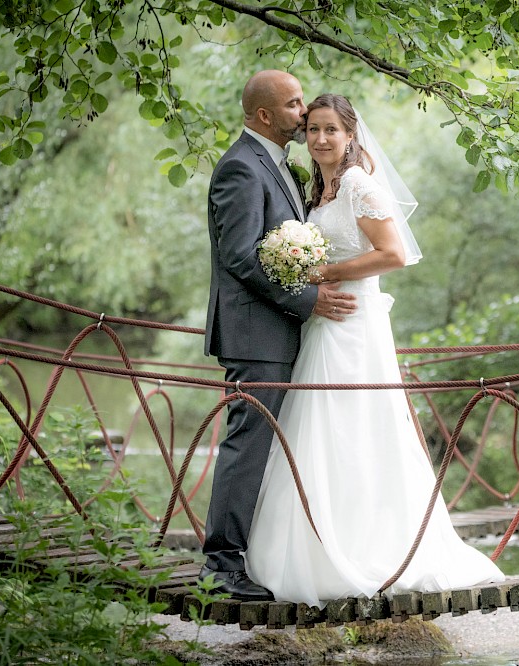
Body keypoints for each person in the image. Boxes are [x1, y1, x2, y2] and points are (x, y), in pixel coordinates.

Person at [244, 94, 504, 606]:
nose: (320, 139)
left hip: (355, 323)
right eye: (313, 130)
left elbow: (394, 254)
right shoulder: (317, 190)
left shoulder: (359, 184)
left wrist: (325, 273)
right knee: (316, 427)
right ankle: (309, 546)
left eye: (331, 131)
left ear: (349, 135)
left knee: (357, 426)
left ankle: (371, 548)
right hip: (324, 323)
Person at [202, 72, 358, 600]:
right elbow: (242, 256)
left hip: (281, 332)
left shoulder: (281, 166)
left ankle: (263, 556)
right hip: (255, 335)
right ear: (265, 115)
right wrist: (309, 300)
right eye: (294, 105)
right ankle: (220, 567)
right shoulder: (241, 168)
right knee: (248, 446)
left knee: (273, 448)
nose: (303, 111)